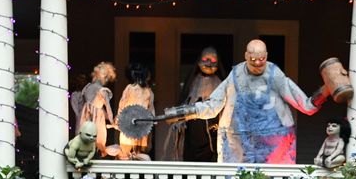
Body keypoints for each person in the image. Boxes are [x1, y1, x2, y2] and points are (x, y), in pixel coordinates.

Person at [173, 39, 327, 164]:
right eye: (253, 60)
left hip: (273, 145)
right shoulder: (235, 76)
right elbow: (213, 105)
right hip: (237, 144)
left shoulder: (275, 75)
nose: (258, 64)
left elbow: (306, 105)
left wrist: (326, 90)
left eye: (262, 59)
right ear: (246, 56)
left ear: (266, 55)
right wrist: (183, 113)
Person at [157, 46, 223, 162]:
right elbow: (185, 101)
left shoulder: (220, 83)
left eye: (212, 60)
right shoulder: (193, 81)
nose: (208, 63)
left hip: (210, 127)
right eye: (205, 59)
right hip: (192, 127)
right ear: (198, 62)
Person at [115, 61, 155, 160]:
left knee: (138, 151)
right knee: (126, 151)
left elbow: (150, 108)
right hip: (129, 123)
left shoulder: (148, 91)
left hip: (141, 126)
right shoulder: (130, 88)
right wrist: (119, 118)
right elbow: (122, 104)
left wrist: (151, 121)